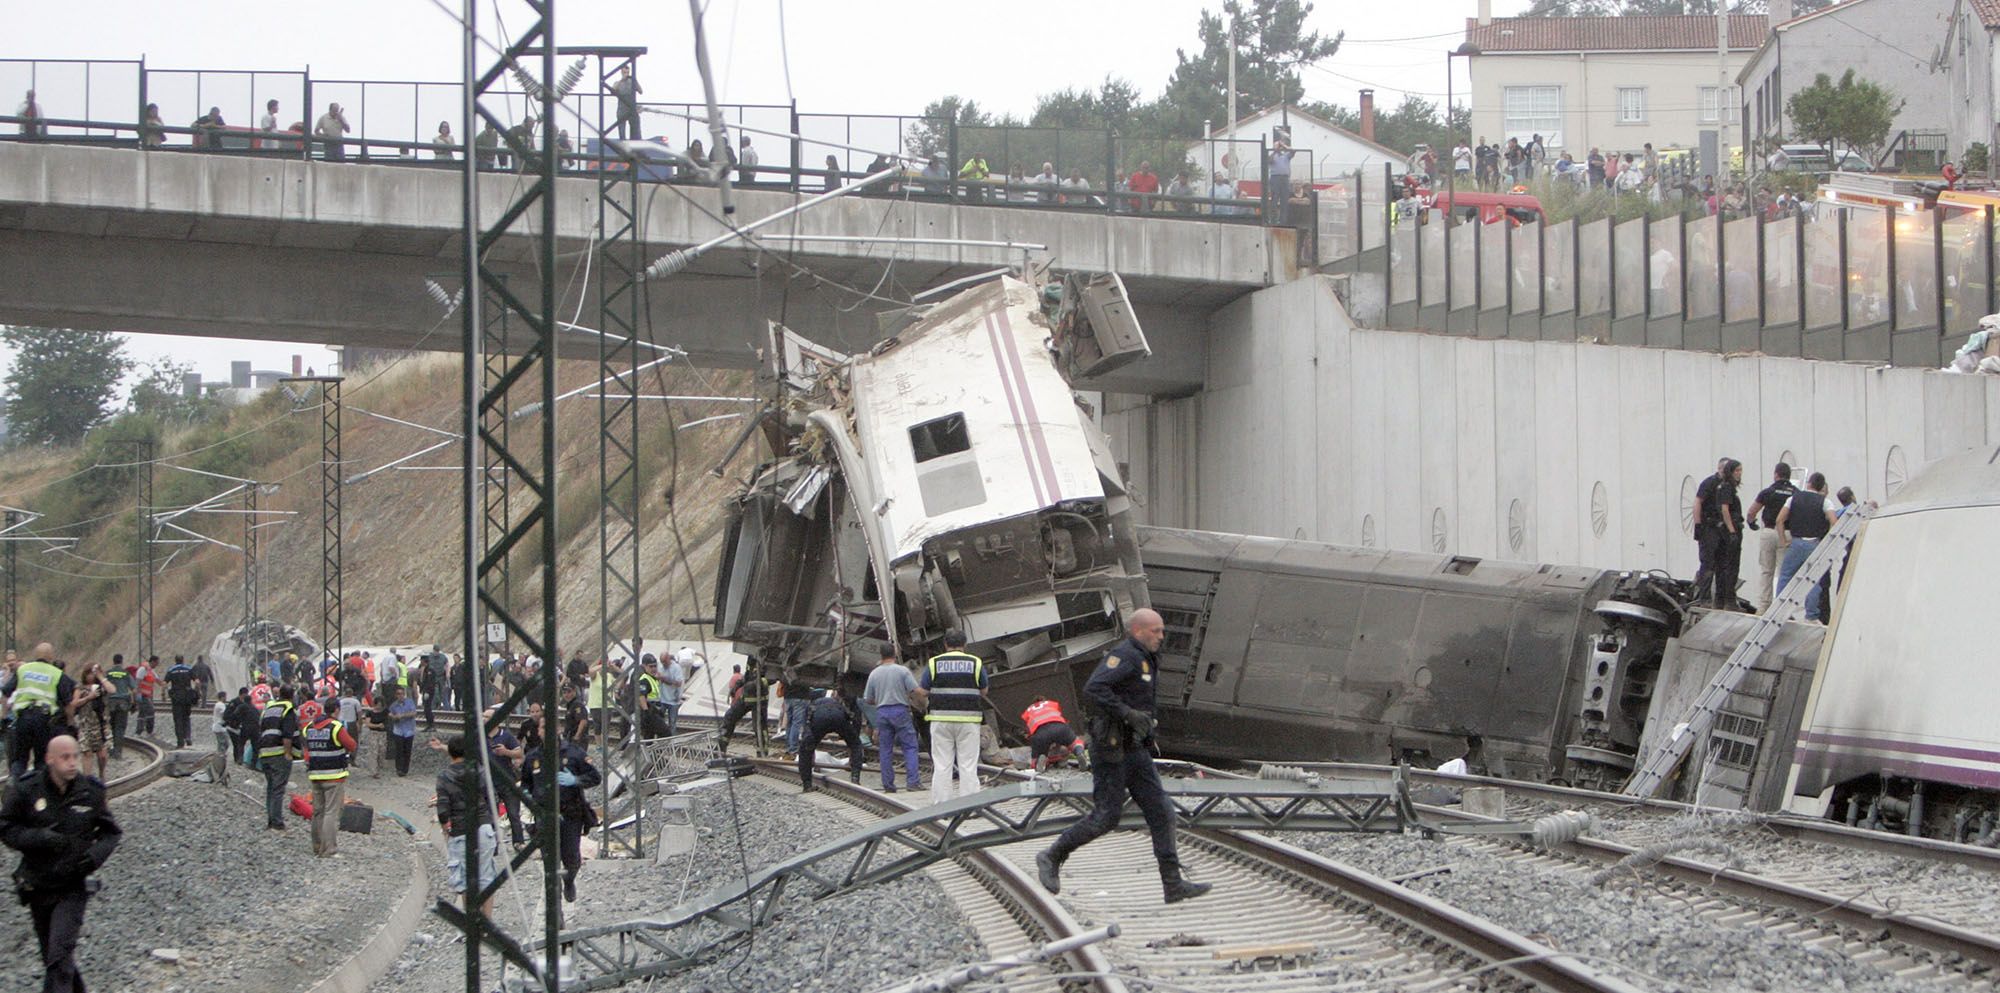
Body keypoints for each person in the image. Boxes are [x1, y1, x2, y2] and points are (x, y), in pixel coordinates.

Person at [1035, 609, 1211, 904]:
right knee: (1106, 817)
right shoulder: (1125, 656)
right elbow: (1094, 688)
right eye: (1156, 631)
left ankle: (1173, 884)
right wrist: (1126, 713)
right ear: (1139, 630)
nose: (1161, 636)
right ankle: (1052, 856)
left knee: (1162, 811)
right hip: (1111, 750)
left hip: (1134, 750)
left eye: (1161, 631)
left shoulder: (1146, 658)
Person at [0, 735, 119, 993]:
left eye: (75, 756)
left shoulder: (90, 792)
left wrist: (93, 856)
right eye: (65, 757)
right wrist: (37, 838)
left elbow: (112, 833)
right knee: (53, 958)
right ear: (49, 759)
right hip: (38, 885)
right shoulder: (26, 791)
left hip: (73, 885)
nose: (72, 763)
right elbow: (6, 828)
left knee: (60, 953)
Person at [521, 718, 601, 902]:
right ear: (538, 731)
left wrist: (576, 780)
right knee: (550, 864)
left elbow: (595, 777)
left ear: (558, 729)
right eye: (542, 728)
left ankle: (569, 879)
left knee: (572, 859)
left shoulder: (573, 753)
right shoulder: (533, 757)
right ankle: (555, 910)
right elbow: (525, 783)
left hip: (570, 814)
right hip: (544, 815)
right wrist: (528, 797)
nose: (546, 731)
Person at [920, 630, 988, 805]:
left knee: (942, 764)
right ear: (964, 645)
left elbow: (924, 690)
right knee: (968, 764)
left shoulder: (934, 663)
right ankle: (970, 806)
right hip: (968, 721)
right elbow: (984, 690)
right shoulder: (975, 663)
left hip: (941, 720)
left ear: (945, 644)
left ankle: (942, 805)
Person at [436, 735, 497, 913]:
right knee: (485, 876)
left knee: (464, 878)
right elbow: (491, 797)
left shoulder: (445, 777)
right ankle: (487, 923)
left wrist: (445, 828)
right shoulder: (479, 770)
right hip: (483, 827)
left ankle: (472, 922)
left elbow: (443, 809)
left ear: (451, 753)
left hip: (460, 830)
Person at [1775, 471, 1839, 622]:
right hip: (1814, 545)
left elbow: (1779, 520)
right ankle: (1811, 615)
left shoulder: (1793, 498)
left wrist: (1784, 540)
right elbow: (1835, 522)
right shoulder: (1825, 502)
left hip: (1796, 543)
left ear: (1809, 483)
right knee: (1814, 580)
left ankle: (1779, 610)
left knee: (1785, 576)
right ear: (1821, 486)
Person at [4, 645, 74, 782]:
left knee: (19, 759)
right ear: (51, 656)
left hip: (23, 719)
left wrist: (4, 716)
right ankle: (38, 791)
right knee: (41, 760)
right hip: (43, 720)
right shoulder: (57, 673)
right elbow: (68, 703)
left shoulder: (23, 669)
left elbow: (6, 691)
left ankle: (13, 785)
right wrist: (70, 722)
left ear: (35, 655)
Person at [298, 699, 357, 857]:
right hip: (334, 776)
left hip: (315, 775)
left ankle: (317, 846)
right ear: (336, 710)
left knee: (318, 812)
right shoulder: (336, 727)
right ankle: (329, 849)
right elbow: (352, 745)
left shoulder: (309, 728)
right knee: (331, 812)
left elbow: (306, 746)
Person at [864, 649, 923, 793]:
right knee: (910, 747)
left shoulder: (874, 673)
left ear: (881, 656)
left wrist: (880, 698)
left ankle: (888, 785)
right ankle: (913, 782)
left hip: (882, 712)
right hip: (900, 711)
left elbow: (868, 699)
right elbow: (915, 690)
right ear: (894, 655)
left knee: (885, 750)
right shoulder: (903, 671)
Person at [1744, 463, 1798, 611]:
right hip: (1786, 534)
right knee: (1783, 572)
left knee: (1767, 570)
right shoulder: (1795, 492)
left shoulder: (1768, 492)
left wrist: (1751, 523)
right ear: (1789, 476)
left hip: (1768, 532)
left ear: (1776, 474)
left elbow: (1751, 512)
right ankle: (1781, 608)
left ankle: (1763, 606)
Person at [797, 679, 865, 791]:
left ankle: (807, 784)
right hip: (838, 716)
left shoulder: (813, 703)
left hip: (819, 717)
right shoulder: (846, 701)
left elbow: (806, 730)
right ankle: (855, 777)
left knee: (806, 749)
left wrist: (810, 752)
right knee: (856, 744)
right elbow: (855, 722)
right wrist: (853, 740)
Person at [256, 686, 301, 830]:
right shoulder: (288, 709)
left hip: (265, 752)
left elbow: (261, 729)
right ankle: (276, 822)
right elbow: (287, 734)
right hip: (278, 752)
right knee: (278, 788)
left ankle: (271, 819)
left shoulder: (269, 708)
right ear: (292, 696)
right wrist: (288, 753)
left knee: (271, 788)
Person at [1708, 459, 1746, 608]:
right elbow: (1725, 509)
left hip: (1727, 529)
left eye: (1740, 470)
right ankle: (1727, 599)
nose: (1739, 474)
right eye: (1737, 471)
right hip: (1729, 529)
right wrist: (1732, 531)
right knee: (1730, 565)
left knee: (1724, 565)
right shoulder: (1726, 488)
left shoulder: (1727, 487)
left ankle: (1722, 598)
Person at [485, 710, 527, 845]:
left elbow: (519, 753)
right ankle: (494, 844)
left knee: (513, 813)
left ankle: (518, 842)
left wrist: (505, 752)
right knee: (491, 815)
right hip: (488, 782)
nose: (483, 719)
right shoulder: (479, 736)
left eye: (486, 717)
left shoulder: (506, 735)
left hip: (507, 780)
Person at [67, 664, 111, 779]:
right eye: (89, 673)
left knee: (103, 756)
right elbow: (74, 703)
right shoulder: (80, 687)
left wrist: (101, 677)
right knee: (87, 753)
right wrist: (88, 697)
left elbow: (112, 690)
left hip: (102, 725)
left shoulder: (102, 686)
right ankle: (88, 780)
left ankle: (102, 773)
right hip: (85, 724)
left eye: (94, 673)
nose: (91, 676)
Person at [1021, 698, 1086, 773]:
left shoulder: (1028, 711)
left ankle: (1040, 760)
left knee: (1037, 756)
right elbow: (1061, 717)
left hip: (1040, 733)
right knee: (1076, 743)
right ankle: (1079, 752)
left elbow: (1029, 732)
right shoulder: (1052, 704)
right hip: (1060, 727)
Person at [716, 664, 769, 754]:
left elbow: (772, 678)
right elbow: (748, 675)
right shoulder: (752, 658)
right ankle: (721, 746)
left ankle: (762, 751)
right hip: (747, 697)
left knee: (759, 727)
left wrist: (756, 683)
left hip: (759, 699)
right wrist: (737, 686)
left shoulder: (767, 656)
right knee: (730, 716)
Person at [102, 657, 135, 757]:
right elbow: (133, 689)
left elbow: (103, 688)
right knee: (120, 727)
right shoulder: (126, 673)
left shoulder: (108, 673)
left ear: (113, 661)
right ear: (121, 661)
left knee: (112, 726)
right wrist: (133, 703)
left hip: (110, 703)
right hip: (123, 703)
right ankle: (118, 751)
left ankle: (112, 749)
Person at [164, 655, 197, 748]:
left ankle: (180, 741)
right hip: (187, 697)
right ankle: (188, 737)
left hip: (176, 698)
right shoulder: (188, 668)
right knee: (186, 717)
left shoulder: (171, 670)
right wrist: (196, 692)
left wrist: (164, 695)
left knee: (178, 719)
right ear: (183, 660)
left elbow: (164, 683)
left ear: (175, 660)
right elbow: (197, 682)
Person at [386, 685, 418, 776]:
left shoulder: (410, 702)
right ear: (396, 695)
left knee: (407, 751)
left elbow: (414, 712)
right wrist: (393, 716)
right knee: (399, 750)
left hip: (409, 730)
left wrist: (403, 715)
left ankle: (405, 769)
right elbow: (390, 714)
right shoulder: (393, 705)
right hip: (398, 730)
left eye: (402, 694)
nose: (401, 696)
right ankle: (399, 769)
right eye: (398, 694)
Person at [662, 648, 689, 736]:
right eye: (662, 662)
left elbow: (678, 683)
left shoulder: (676, 668)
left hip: (673, 700)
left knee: (672, 722)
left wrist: (664, 679)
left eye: (664, 662)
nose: (663, 664)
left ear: (668, 659)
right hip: (662, 698)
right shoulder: (660, 666)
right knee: (659, 721)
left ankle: (671, 740)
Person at [611, 65, 642, 140]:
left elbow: (640, 91)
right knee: (622, 132)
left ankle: (634, 146)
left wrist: (635, 81)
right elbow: (612, 91)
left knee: (635, 131)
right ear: (621, 72)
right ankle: (623, 146)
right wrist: (622, 79)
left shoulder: (632, 82)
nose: (626, 74)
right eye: (624, 72)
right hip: (622, 109)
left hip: (632, 109)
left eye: (627, 72)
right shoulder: (617, 83)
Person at [133, 656, 158, 738]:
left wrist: (165, 685)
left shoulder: (151, 671)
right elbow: (138, 681)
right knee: (150, 711)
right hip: (142, 695)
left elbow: (157, 680)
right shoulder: (143, 670)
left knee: (143, 712)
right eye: (157, 662)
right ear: (153, 662)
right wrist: (138, 693)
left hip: (147, 695)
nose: (157, 664)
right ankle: (146, 732)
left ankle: (140, 732)